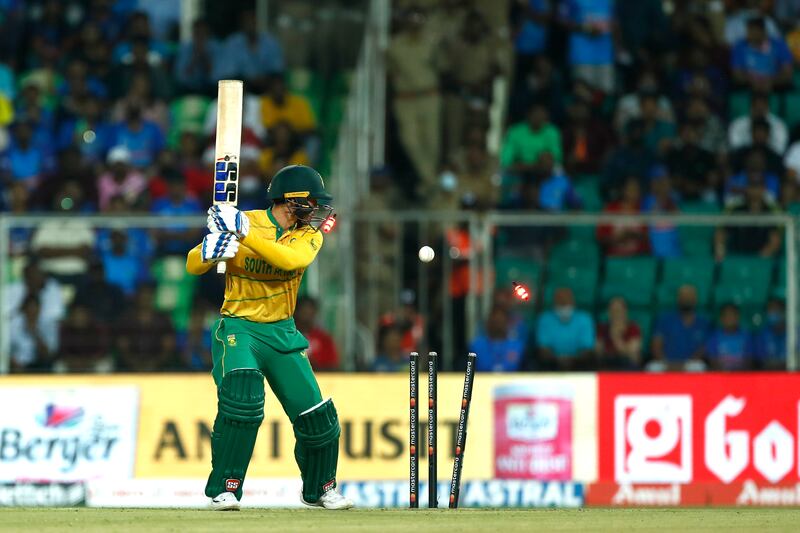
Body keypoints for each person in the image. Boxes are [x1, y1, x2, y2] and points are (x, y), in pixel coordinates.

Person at [185, 165, 352, 510]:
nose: (318, 210)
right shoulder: (241, 220)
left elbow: (290, 260)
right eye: (312, 202)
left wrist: (243, 234)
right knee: (242, 399)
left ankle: (322, 489)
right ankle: (225, 488)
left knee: (316, 415)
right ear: (292, 202)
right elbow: (191, 265)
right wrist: (210, 251)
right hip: (239, 326)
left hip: (282, 331)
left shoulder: (307, 235)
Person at [715, 174, 782, 260]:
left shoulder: (771, 210)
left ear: (763, 189)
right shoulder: (735, 209)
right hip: (736, 256)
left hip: (762, 258)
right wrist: (720, 248)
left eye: (758, 187)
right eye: (752, 187)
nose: (754, 190)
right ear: (746, 189)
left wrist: (761, 257)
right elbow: (721, 232)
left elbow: (775, 238)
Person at [650, 285, 711, 371]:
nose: (686, 299)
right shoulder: (664, 319)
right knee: (652, 368)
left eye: (689, 296)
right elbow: (656, 345)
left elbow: (704, 348)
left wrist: (687, 364)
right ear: (678, 299)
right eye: (683, 296)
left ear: (695, 299)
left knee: (699, 367)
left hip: (690, 365)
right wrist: (665, 362)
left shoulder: (703, 323)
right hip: (665, 363)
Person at [535, 287, 595, 370]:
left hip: (579, 367)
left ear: (573, 301)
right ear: (554, 302)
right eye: (561, 302)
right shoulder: (545, 319)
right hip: (551, 367)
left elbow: (587, 349)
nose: (564, 304)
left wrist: (572, 360)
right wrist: (558, 360)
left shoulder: (584, 319)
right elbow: (543, 349)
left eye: (566, 302)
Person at [731, 17, 793, 91]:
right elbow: (737, 74)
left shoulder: (779, 45)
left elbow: (787, 72)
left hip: (775, 85)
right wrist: (751, 81)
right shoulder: (740, 47)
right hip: (749, 86)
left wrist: (771, 81)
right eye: (748, 31)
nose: (748, 34)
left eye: (752, 31)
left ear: (762, 31)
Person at [596, 177, 649, 257]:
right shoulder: (611, 209)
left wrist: (636, 235)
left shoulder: (643, 210)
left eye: (637, 189)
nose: (635, 192)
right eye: (631, 188)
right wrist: (617, 238)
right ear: (623, 190)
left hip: (638, 258)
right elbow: (601, 237)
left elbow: (649, 237)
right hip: (615, 258)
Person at [470, 305, 527, 372]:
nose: (498, 326)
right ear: (488, 323)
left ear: (507, 323)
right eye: (495, 322)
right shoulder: (476, 346)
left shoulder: (518, 347)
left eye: (500, 322)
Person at [295, 296, 340, 371]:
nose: (307, 316)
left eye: (310, 313)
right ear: (296, 313)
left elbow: (333, 366)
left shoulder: (324, 339)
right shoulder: (289, 338)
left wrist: (315, 367)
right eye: (303, 312)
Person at [596, 296, 641, 370]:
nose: (616, 313)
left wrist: (615, 336)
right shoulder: (602, 328)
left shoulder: (633, 328)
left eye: (618, 310)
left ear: (625, 311)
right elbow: (598, 354)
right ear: (608, 312)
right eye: (612, 310)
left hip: (627, 368)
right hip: (607, 367)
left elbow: (631, 355)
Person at [706, 303, 753, 371]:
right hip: (721, 377)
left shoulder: (747, 336)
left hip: (741, 377)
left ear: (737, 317)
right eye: (726, 315)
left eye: (732, 315)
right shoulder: (714, 337)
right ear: (721, 318)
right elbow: (713, 362)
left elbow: (749, 362)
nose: (729, 318)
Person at [752, 296, 789, 370]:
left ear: (783, 311)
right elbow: (759, 363)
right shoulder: (762, 335)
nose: (773, 313)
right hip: (769, 377)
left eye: (776, 309)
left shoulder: (794, 333)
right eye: (770, 310)